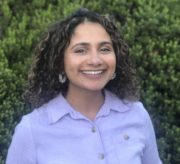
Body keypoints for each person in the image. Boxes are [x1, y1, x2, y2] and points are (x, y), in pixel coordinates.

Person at [6, 8, 162, 164]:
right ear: (59, 63)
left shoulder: (137, 115)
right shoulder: (32, 130)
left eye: (104, 49)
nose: (95, 60)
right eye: (81, 50)